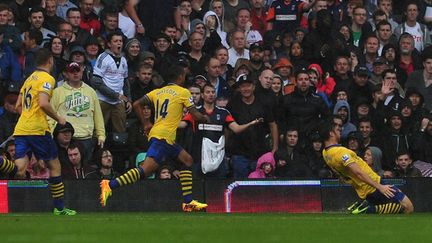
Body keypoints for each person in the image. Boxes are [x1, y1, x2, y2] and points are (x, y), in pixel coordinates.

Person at [100, 65, 210, 212]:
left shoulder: (157, 92)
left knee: (187, 160)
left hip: (163, 136)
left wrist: (146, 124)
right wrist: (205, 117)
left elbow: (137, 104)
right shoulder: (183, 92)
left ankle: (188, 202)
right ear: (180, 77)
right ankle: (110, 185)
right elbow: (196, 115)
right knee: (144, 170)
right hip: (163, 138)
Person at [0, 48, 76, 215]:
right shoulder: (46, 78)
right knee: (55, 166)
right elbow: (43, 103)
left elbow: (18, 106)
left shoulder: (28, 80)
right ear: (50, 61)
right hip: (38, 130)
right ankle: (60, 208)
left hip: (21, 129)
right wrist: (59, 118)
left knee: (19, 170)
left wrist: (27, 117)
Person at [319, 118, 414, 214]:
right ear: (331, 133)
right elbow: (358, 172)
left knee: (393, 209)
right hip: (373, 184)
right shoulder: (341, 152)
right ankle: (367, 209)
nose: (340, 131)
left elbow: (340, 174)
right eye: (338, 130)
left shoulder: (325, 153)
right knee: (408, 207)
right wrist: (380, 187)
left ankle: (363, 205)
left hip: (363, 190)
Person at [179, 84, 263, 178]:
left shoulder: (223, 113)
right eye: (208, 92)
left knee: (218, 189)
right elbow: (182, 125)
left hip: (218, 158)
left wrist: (251, 123)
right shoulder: (195, 112)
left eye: (213, 92)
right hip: (198, 158)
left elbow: (236, 129)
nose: (211, 94)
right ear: (202, 95)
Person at [50, 62, 105, 166]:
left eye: (77, 71)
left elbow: (98, 115)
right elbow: (50, 115)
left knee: (85, 169)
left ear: (82, 71)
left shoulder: (91, 92)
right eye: (72, 71)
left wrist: (101, 135)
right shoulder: (57, 92)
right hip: (67, 139)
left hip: (86, 139)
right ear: (66, 74)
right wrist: (51, 133)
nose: (75, 74)